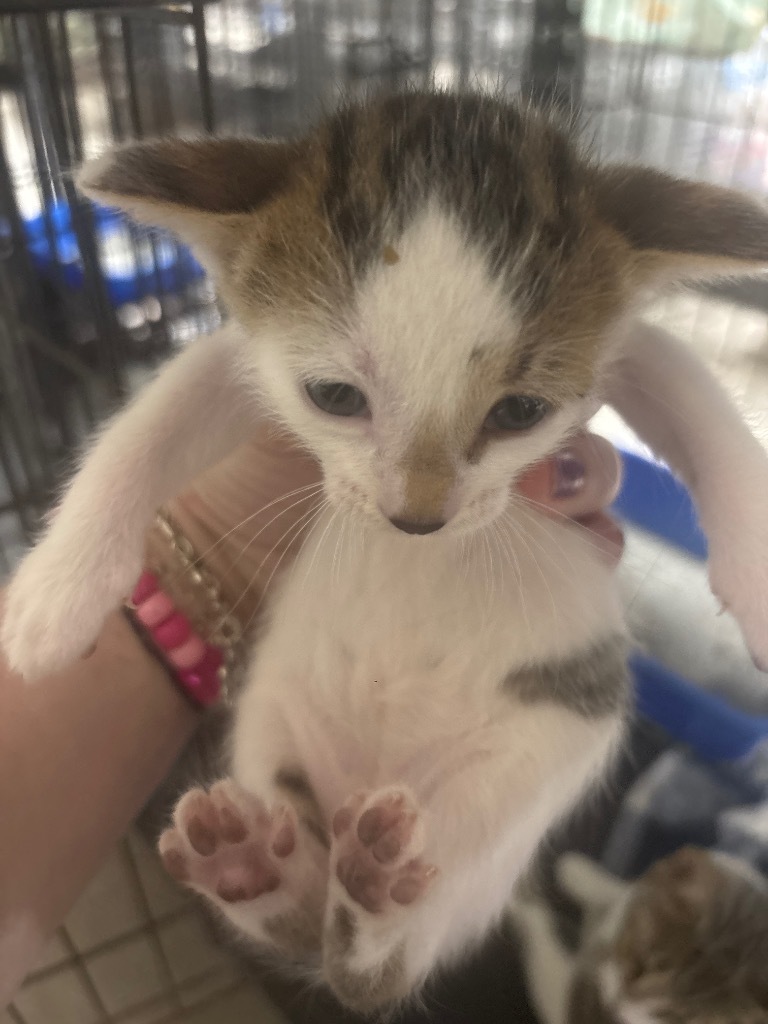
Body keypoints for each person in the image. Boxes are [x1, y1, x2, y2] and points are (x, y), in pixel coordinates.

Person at [0, 425, 623, 1005]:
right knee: (291, 729)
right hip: (373, 668)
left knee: (550, 742)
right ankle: (349, 923)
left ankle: (354, 927)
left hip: (474, 686)